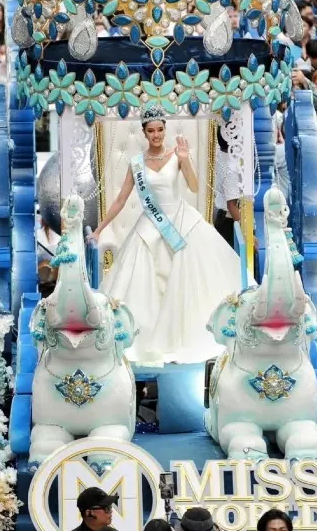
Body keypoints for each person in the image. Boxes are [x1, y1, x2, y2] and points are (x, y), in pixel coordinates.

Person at [91, 107, 242, 366]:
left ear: (165, 130)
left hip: (181, 222)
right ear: (144, 133)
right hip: (149, 226)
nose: (156, 135)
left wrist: (186, 160)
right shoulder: (136, 163)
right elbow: (120, 200)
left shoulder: (176, 155)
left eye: (160, 130)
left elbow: (194, 186)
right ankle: (149, 340)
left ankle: (182, 337)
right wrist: (99, 228)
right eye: (151, 131)